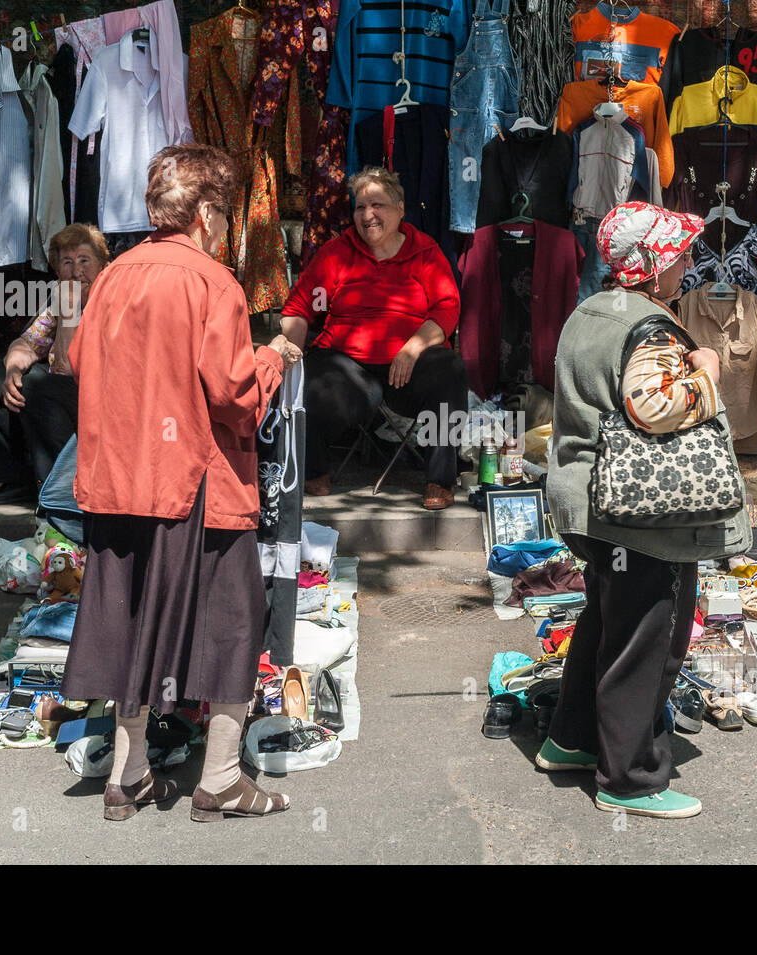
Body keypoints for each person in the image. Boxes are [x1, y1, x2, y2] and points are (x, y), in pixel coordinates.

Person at [59, 143, 302, 823]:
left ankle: (127, 775)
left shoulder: (112, 275)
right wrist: (271, 358)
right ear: (202, 212)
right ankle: (221, 778)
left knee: (127, 620)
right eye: (223, 213)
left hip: (117, 482)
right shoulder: (211, 280)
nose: (225, 227)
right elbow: (231, 392)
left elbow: (81, 361)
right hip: (195, 485)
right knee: (233, 622)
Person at [539, 201, 750, 819]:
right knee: (648, 639)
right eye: (678, 253)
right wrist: (707, 371)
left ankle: (571, 740)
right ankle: (630, 778)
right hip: (643, 513)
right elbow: (653, 407)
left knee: (606, 623)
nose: (687, 263)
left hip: (589, 501)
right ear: (652, 266)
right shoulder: (652, 328)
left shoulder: (590, 310)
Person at [280, 166, 468, 511]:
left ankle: (440, 478)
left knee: (451, 369)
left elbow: (447, 309)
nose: (368, 215)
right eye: (360, 207)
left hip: (410, 365)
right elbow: (298, 306)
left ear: (400, 208)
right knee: (306, 375)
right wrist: (290, 348)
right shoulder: (337, 252)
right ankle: (312, 470)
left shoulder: (425, 251)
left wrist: (412, 348)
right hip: (348, 367)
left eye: (377, 205)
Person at [0, 224, 110, 505]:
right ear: (56, 270)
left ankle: (59, 490)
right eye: (67, 263)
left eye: (85, 260)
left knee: (38, 384)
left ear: (101, 264)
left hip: (96, 398)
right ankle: (16, 481)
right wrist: (12, 371)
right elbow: (25, 343)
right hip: (56, 390)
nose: (76, 271)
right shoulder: (61, 296)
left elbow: (67, 368)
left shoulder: (109, 301)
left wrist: (70, 310)